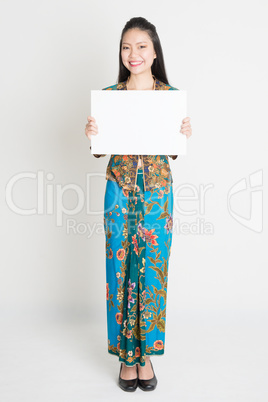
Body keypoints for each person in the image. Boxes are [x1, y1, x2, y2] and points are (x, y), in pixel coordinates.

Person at [85, 17, 192, 392]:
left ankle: (144, 356)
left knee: (152, 273)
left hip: (158, 194)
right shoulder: (110, 96)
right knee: (120, 272)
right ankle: (124, 358)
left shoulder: (171, 96)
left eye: (141, 46)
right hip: (119, 189)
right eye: (127, 47)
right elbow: (101, 151)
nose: (134, 54)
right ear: (121, 52)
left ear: (155, 51)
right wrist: (93, 135)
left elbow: (172, 152)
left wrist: (183, 134)